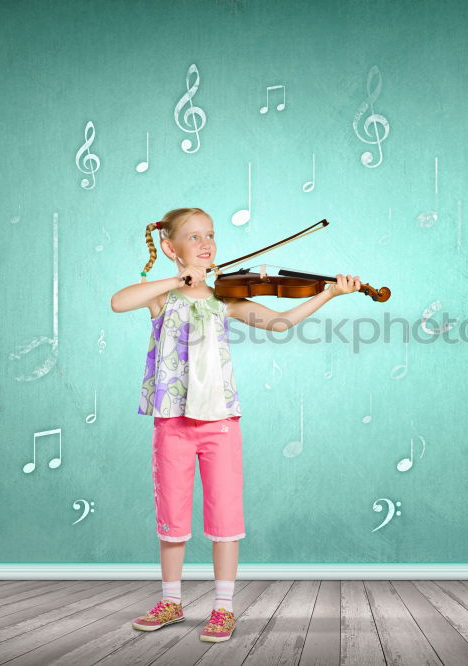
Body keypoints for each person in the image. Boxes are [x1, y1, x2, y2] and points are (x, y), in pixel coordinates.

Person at [110, 207, 360, 642]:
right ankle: (171, 601)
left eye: (210, 235)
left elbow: (280, 323)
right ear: (170, 247)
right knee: (172, 515)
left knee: (225, 515)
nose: (206, 244)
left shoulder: (224, 296)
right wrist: (177, 281)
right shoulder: (162, 297)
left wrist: (328, 295)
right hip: (171, 419)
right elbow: (118, 301)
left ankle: (223, 608)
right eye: (193, 237)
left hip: (220, 420)